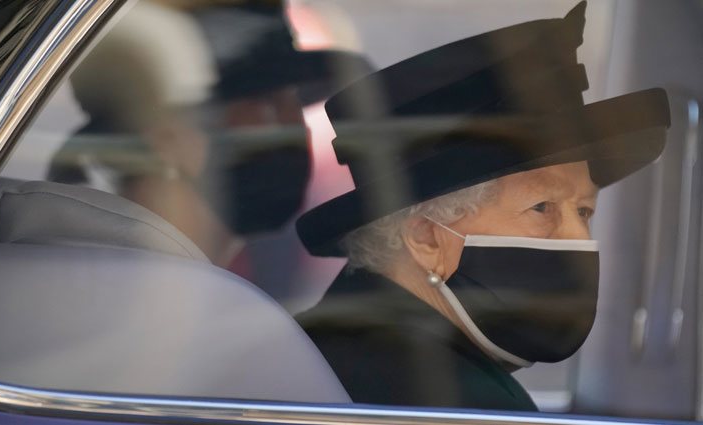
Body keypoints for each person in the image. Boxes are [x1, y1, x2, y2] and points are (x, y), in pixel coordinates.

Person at [296, 1, 670, 411]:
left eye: (584, 211)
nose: (578, 238)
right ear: (427, 238)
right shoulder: (451, 401)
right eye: (543, 208)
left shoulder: (336, 344)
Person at [48, 0, 371, 267]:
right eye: (265, 102)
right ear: (165, 137)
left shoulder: (223, 275)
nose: (292, 123)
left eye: (295, 100)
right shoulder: (126, 281)